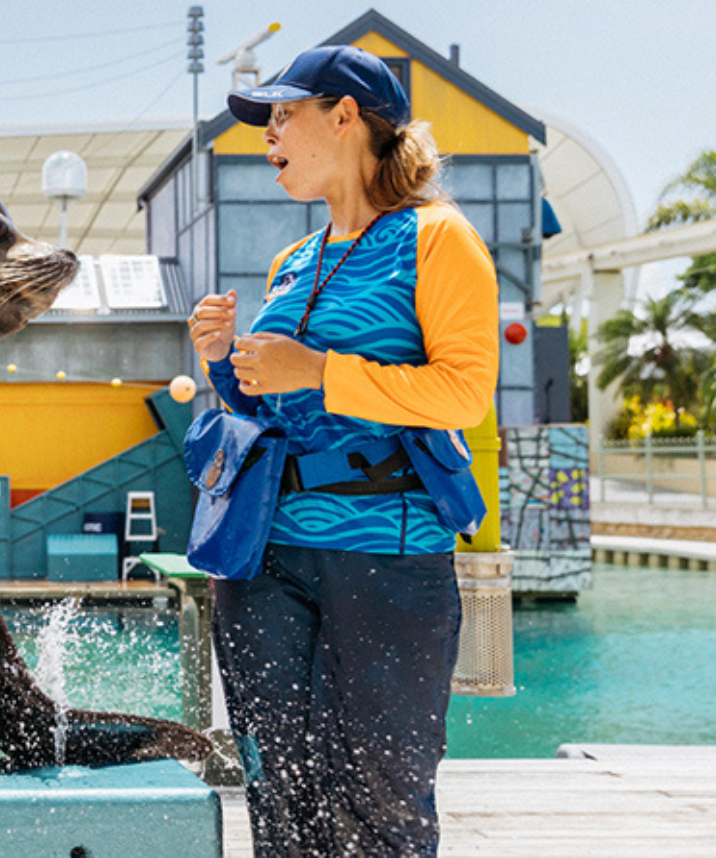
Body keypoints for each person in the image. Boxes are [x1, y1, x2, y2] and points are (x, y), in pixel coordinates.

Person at [186, 45, 498, 856]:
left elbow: (464, 393)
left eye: (284, 114)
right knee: (277, 796)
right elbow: (269, 406)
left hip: (386, 556)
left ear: (347, 116)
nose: (268, 134)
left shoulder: (438, 237)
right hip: (265, 558)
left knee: (379, 801)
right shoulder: (296, 259)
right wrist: (226, 362)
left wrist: (322, 369)